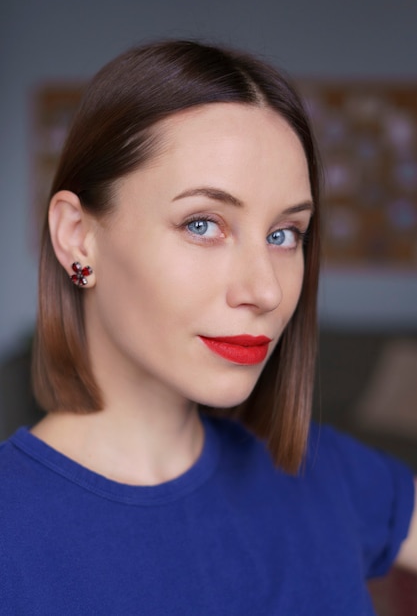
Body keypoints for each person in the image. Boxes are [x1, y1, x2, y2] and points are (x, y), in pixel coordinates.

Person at [0, 39, 416, 615]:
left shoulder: (324, 474)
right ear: (77, 235)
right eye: (203, 223)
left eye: (284, 235)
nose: (265, 290)